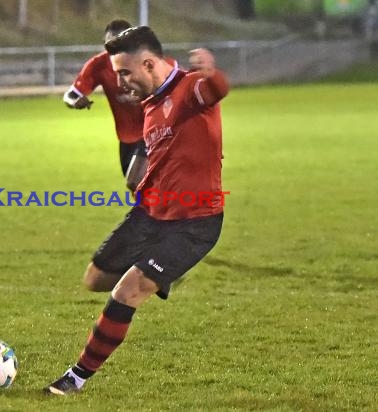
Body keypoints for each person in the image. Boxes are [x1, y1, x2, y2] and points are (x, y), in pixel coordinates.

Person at [44, 26, 230, 395]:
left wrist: (213, 73)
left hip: (194, 222)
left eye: (125, 73)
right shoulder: (148, 106)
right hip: (149, 213)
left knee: (126, 292)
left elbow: (214, 90)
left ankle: (76, 378)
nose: (119, 81)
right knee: (95, 279)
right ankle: (162, 276)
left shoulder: (190, 88)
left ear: (148, 63)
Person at [63, 19, 147, 191]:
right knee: (138, 189)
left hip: (154, 132)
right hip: (126, 138)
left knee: (135, 181)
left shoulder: (148, 61)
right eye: (109, 43)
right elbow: (71, 94)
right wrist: (74, 101)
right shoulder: (98, 65)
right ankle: (158, 214)